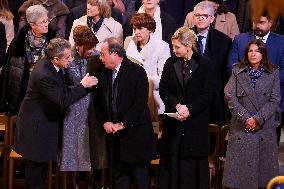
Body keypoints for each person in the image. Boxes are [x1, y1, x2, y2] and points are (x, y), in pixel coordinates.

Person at [13, 38, 98, 189]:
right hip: (35, 127)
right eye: (67, 58)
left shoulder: (53, 66)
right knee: (35, 168)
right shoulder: (44, 75)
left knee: (41, 167)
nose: (70, 59)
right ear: (55, 59)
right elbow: (63, 100)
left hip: (44, 122)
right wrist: (82, 86)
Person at [95, 37, 156, 189]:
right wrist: (105, 122)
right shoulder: (103, 73)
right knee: (119, 180)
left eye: (103, 54)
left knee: (140, 180)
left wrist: (122, 124)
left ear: (114, 54)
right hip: (115, 139)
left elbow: (140, 104)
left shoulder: (137, 72)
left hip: (136, 136)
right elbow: (98, 103)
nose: (100, 58)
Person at [159, 27, 215, 189]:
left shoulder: (205, 64)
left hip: (195, 123)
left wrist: (189, 109)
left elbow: (208, 94)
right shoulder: (170, 63)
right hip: (174, 124)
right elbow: (164, 89)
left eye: (177, 47)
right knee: (173, 162)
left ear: (189, 45)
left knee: (191, 167)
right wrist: (177, 105)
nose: (173, 50)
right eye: (173, 46)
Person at [223, 39, 280, 189]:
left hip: (263, 129)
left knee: (263, 179)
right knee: (240, 180)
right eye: (250, 51)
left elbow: (275, 100)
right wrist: (246, 117)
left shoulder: (273, 72)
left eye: (257, 51)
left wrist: (257, 118)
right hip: (242, 128)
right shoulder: (237, 71)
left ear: (263, 54)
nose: (253, 54)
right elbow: (230, 96)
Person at [227, 12, 284, 144]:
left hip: (270, 102)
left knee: (268, 149)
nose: (257, 26)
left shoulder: (282, 42)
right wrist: (249, 86)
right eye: (255, 22)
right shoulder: (239, 39)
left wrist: (262, 83)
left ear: (271, 23)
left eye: (262, 23)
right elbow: (231, 67)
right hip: (243, 103)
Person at [60, 25, 99, 188]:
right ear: (79, 45)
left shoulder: (96, 56)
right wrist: (84, 84)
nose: (92, 50)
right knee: (72, 141)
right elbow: (73, 81)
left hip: (91, 104)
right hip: (74, 104)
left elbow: (98, 79)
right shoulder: (69, 57)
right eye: (89, 48)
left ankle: (89, 175)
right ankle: (73, 176)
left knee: (88, 142)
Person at [0, 4, 56, 115]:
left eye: (47, 21)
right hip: (23, 91)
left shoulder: (54, 41)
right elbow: (8, 73)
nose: (46, 24)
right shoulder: (18, 43)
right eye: (42, 22)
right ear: (32, 25)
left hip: (46, 90)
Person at [192, 1, 231, 126]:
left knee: (215, 131)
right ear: (193, 17)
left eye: (204, 15)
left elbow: (225, 71)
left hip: (214, 93)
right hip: (189, 94)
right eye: (197, 15)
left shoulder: (224, 41)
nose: (200, 18)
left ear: (212, 18)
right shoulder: (184, 37)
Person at [124, 13, 170, 119]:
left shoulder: (162, 46)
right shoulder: (128, 42)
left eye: (140, 28)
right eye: (135, 28)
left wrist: (145, 81)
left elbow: (164, 78)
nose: (137, 32)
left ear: (149, 29)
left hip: (152, 98)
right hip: (130, 96)